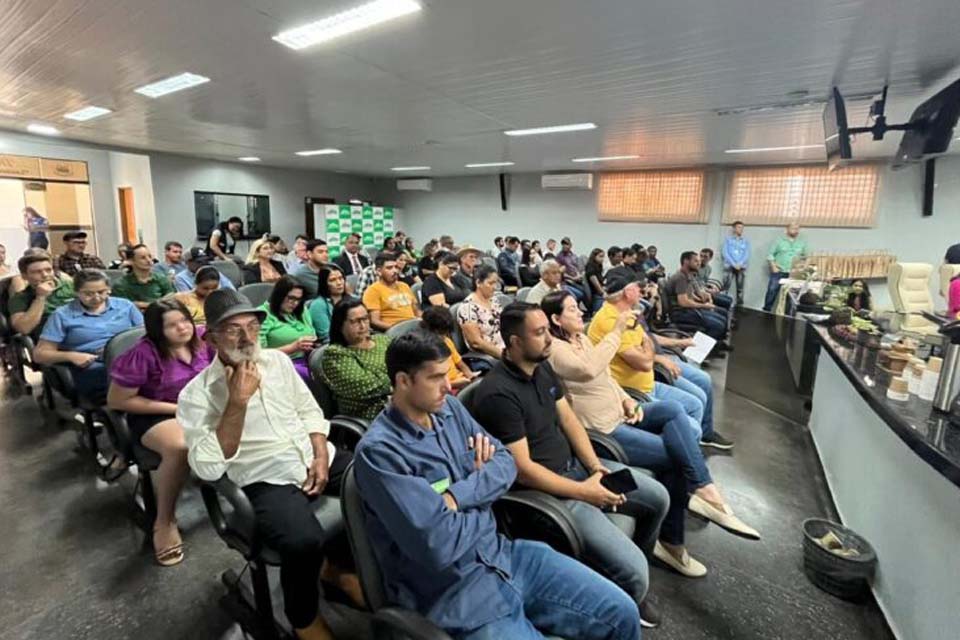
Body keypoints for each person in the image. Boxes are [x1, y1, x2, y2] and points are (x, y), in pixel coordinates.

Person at [354, 331, 641, 640]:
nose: (448, 385)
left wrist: (457, 496)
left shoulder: (449, 411)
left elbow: (506, 464)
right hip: (457, 595)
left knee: (623, 613)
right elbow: (438, 547)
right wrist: (483, 490)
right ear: (403, 381)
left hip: (506, 556)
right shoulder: (381, 453)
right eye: (435, 378)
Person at [469, 302, 670, 628]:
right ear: (515, 342)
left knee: (657, 498)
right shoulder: (497, 394)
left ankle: (623, 579)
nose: (549, 338)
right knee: (637, 572)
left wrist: (595, 467)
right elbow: (523, 469)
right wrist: (584, 492)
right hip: (551, 493)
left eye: (548, 330)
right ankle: (626, 599)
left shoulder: (542, 366)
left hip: (579, 470)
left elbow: (569, 419)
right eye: (539, 333)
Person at [178, 289, 358, 640]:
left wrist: (321, 454)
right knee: (303, 540)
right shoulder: (196, 395)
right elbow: (209, 469)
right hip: (265, 475)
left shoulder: (276, 362)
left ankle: (338, 569)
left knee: (379, 486)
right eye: (233, 330)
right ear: (211, 337)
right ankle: (302, 616)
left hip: (312, 454)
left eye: (251, 326)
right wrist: (237, 402)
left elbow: (309, 411)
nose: (246, 338)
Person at [542, 290, 757, 554]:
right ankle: (673, 541)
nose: (580, 312)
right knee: (675, 457)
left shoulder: (579, 339)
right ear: (555, 319)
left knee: (673, 409)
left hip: (622, 411)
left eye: (578, 307)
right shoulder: (555, 349)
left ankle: (703, 488)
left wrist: (626, 401)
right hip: (603, 428)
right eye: (572, 309)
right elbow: (589, 371)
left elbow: (607, 377)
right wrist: (617, 331)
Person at [107, 299, 216, 566]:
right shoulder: (143, 354)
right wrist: (177, 408)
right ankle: (165, 521)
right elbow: (118, 401)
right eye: (172, 325)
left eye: (184, 321)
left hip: (198, 406)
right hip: (155, 413)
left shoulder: (203, 340)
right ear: (157, 330)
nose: (182, 328)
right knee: (180, 447)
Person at [33, 270, 143, 399]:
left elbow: (145, 334)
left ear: (109, 289)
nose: (96, 298)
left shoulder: (125, 306)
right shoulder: (62, 315)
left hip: (129, 357)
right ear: (76, 292)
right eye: (88, 294)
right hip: (94, 363)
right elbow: (40, 354)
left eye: (101, 292)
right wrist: (71, 356)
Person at [321, 299, 392, 420]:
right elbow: (364, 387)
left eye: (365, 319)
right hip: (372, 415)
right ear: (340, 325)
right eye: (355, 322)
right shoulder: (335, 354)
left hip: (400, 403)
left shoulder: (382, 340)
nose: (363, 326)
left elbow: (409, 364)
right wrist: (399, 380)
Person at [259, 276, 317, 381]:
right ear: (279, 296)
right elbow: (260, 355)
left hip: (310, 358)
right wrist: (292, 347)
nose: (295, 303)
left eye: (298, 299)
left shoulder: (301, 310)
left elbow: (312, 333)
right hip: (281, 363)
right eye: (291, 298)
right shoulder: (262, 315)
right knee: (307, 376)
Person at [662, 252, 729, 342]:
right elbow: (683, 302)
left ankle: (717, 344)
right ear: (686, 261)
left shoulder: (687, 276)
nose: (699, 263)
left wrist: (701, 300)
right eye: (696, 261)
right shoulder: (680, 278)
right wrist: (704, 306)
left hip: (687, 310)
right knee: (718, 325)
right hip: (680, 314)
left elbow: (689, 295)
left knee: (722, 318)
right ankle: (700, 350)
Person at [8, 252, 75, 338]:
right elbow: (24, 328)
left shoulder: (69, 285)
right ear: (24, 276)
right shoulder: (20, 298)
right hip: (56, 337)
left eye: (48, 270)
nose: (45, 275)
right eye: (37, 272)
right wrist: (40, 297)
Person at [419, 307, 480, 391]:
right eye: (440, 333)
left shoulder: (447, 341)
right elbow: (432, 383)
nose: (443, 337)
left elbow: (460, 363)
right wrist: (455, 384)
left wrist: (469, 374)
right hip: (445, 388)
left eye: (445, 333)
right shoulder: (424, 351)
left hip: (461, 380)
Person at [456, 265, 504, 359]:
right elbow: (476, 342)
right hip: (489, 355)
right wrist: (504, 355)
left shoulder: (494, 301)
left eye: (496, 283)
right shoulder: (468, 308)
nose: (494, 287)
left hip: (506, 347)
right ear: (478, 283)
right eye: (490, 283)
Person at [362, 252, 420, 331]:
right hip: (394, 332)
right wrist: (398, 329)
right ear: (379, 271)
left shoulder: (404, 286)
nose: (395, 271)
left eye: (396, 267)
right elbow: (374, 321)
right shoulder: (373, 290)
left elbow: (416, 312)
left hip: (414, 328)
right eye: (389, 268)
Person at [112, 244, 176, 311]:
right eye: (143, 258)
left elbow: (172, 297)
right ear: (131, 261)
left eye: (149, 256)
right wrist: (159, 302)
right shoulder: (121, 284)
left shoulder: (161, 278)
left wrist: (141, 304)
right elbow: (124, 306)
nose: (148, 260)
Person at [764, 222, 808, 312]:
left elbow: (807, 257)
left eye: (797, 229)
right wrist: (773, 267)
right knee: (772, 291)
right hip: (779, 271)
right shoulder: (779, 241)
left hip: (793, 274)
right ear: (787, 229)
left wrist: (803, 268)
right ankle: (766, 311)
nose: (795, 230)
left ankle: (787, 316)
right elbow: (770, 255)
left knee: (791, 295)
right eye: (793, 228)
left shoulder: (802, 243)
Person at [307, 268, 352, 344]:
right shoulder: (318, 305)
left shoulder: (353, 299)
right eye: (332, 280)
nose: (339, 283)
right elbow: (326, 335)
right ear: (324, 284)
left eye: (341, 278)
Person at [721, 221, 750, 307]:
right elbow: (725, 253)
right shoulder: (728, 240)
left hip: (741, 267)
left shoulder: (745, 241)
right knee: (725, 287)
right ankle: (722, 305)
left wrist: (740, 263)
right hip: (729, 266)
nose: (741, 229)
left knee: (740, 289)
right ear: (734, 228)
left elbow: (747, 254)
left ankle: (740, 307)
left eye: (742, 228)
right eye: (739, 227)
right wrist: (734, 264)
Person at [584, 248, 606, 314]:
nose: (602, 259)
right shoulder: (591, 267)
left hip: (600, 292)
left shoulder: (599, 266)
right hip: (596, 295)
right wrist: (604, 293)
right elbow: (596, 285)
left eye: (603, 257)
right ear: (594, 256)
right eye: (600, 256)